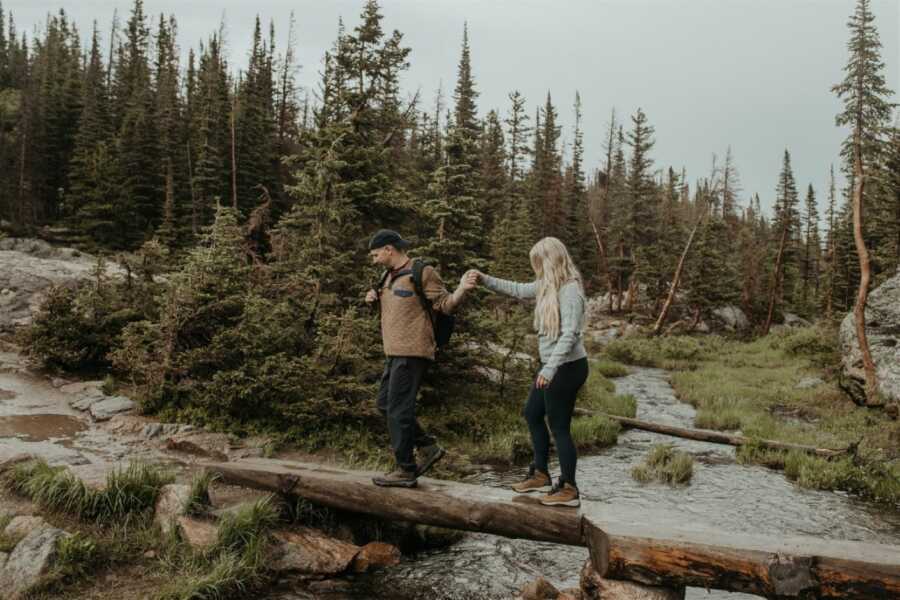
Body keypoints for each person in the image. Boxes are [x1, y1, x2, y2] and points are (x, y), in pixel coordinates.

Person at [471, 237, 588, 507]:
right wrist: (484, 278)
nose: (536, 268)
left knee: (559, 427)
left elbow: (570, 334)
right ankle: (540, 474)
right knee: (532, 413)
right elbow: (515, 289)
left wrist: (549, 368)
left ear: (551, 261)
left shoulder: (570, 290)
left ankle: (569, 489)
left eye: (538, 262)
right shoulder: (547, 286)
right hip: (553, 366)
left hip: (566, 368)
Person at [365, 229, 477, 488]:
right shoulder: (387, 275)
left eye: (375, 254)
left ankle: (405, 469)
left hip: (413, 352)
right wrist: (372, 299)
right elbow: (394, 309)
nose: (373, 259)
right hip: (393, 353)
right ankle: (428, 447)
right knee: (384, 405)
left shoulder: (421, 271)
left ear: (388, 250)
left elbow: (446, 305)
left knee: (398, 410)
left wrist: (462, 289)